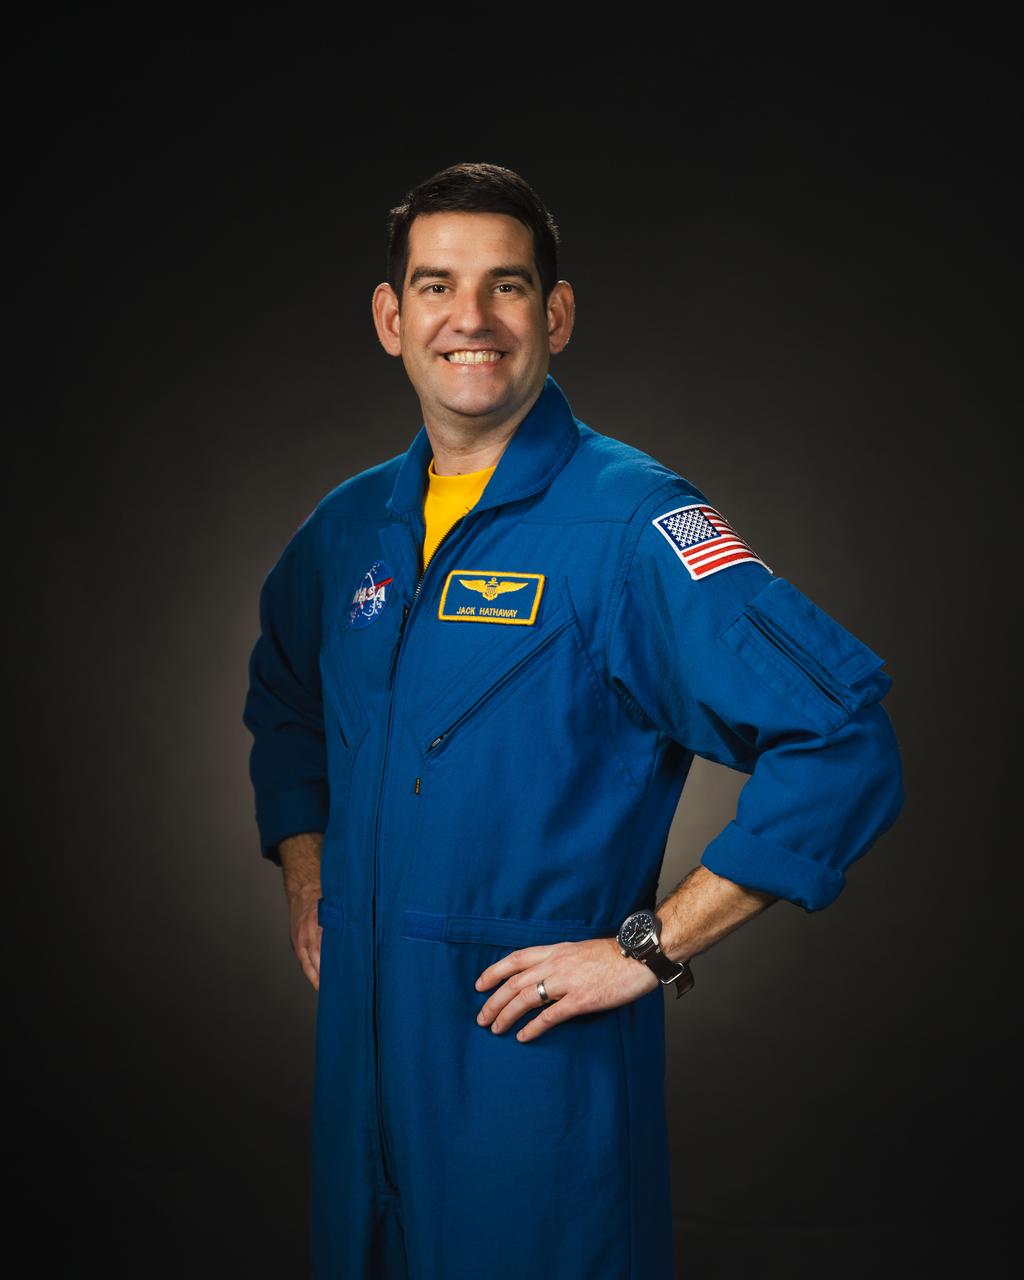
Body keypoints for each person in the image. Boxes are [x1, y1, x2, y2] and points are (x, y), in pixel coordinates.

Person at [242, 161, 904, 1279]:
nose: (469, 318)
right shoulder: (346, 529)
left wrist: (651, 948)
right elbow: (286, 697)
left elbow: (842, 737)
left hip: (528, 1076)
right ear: (389, 317)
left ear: (554, 313)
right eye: (437, 285)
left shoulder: (629, 523)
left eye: (505, 286)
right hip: (362, 1070)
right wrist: (308, 869)